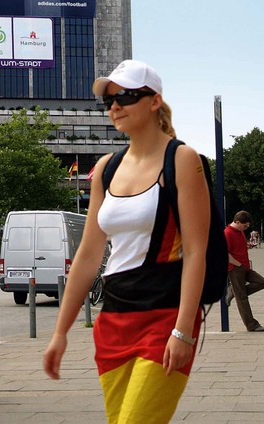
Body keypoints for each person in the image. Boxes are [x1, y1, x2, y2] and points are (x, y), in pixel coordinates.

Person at [43, 60, 210, 424]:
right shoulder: (106, 168)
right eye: (109, 101)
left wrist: (183, 330)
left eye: (126, 96)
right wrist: (60, 332)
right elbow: (88, 255)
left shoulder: (182, 159)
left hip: (164, 317)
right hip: (114, 320)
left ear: (154, 101)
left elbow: (197, 251)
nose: (115, 106)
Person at [224, 211, 264, 331]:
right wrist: (238, 264)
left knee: (262, 282)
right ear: (237, 222)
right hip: (235, 268)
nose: (246, 228)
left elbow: (237, 247)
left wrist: (247, 245)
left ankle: (234, 292)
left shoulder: (240, 232)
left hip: (244, 267)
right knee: (242, 298)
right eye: (245, 226)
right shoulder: (227, 233)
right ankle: (252, 325)